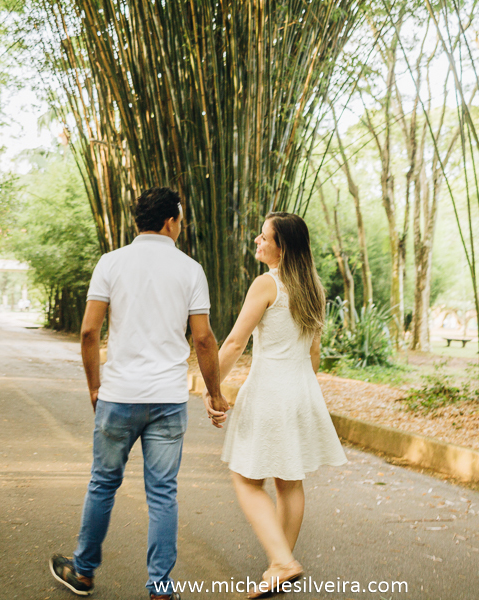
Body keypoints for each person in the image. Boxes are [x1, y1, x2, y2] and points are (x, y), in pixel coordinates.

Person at [49, 187, 229, 599]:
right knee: (163, 492)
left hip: (119, 394)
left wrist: (95, 385)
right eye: (180, 221)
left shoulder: (111, 263)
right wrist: (214, 391)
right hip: (167, 398)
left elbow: (89, 331)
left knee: (103, 483)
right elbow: (203, 339)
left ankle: (83, 571)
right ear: (170, 221)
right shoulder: (190, 269)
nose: (180, 227)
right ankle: (161, 589)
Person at [208, 212, 347, 599]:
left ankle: (282, 561)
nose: (257, 240)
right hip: (302, 390)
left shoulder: (266, 284)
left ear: (281, 246)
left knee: (246, 478)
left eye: (264, 236)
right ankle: (279, 564)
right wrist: (302, 388)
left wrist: (211, 385)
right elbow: (315, 352)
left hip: (270, 391)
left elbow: (235, 343)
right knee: (290, 482)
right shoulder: (313, 287)